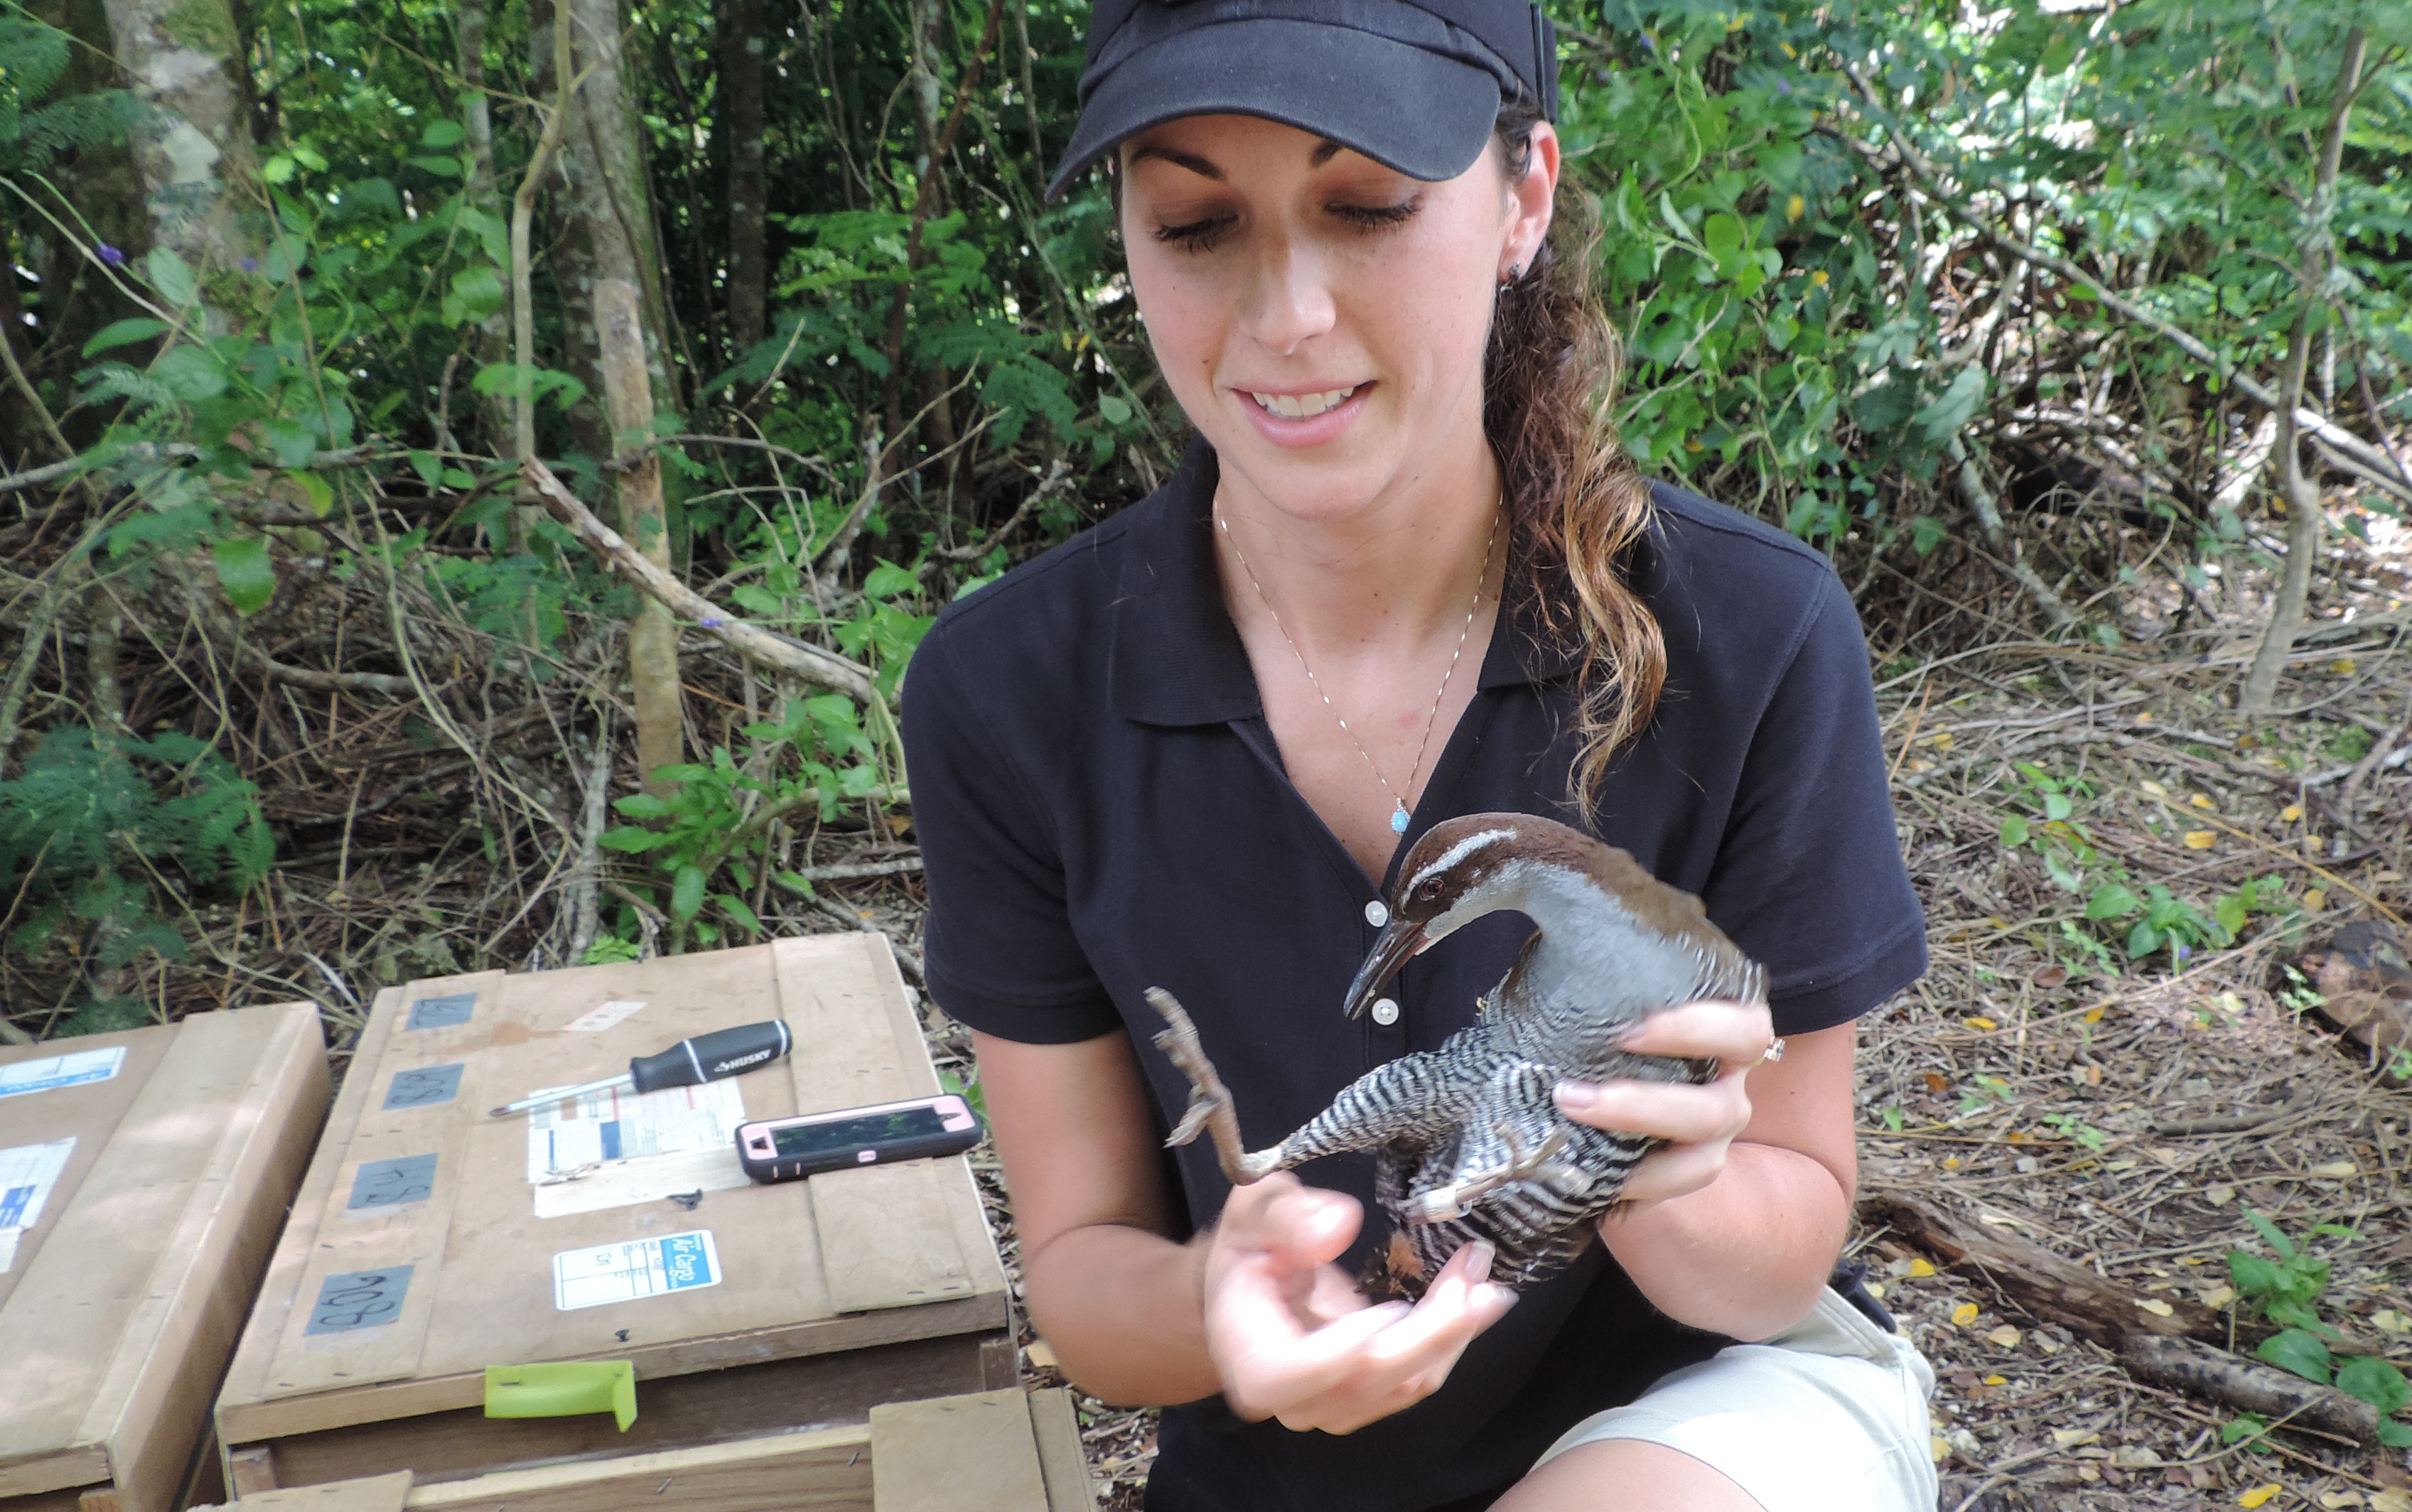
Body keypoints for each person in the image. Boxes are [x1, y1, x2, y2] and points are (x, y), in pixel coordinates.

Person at [900, 1, 1939, 1506]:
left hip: (1706, 1409)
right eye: (1197, 222)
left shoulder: (1743, 635)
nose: (1286, 314)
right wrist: (1224, 1304)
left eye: (1366, 204)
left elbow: (1785, 1227)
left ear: (1520, 199)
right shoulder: (1009, 688)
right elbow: (1079, 1267)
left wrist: (1657, 1180)